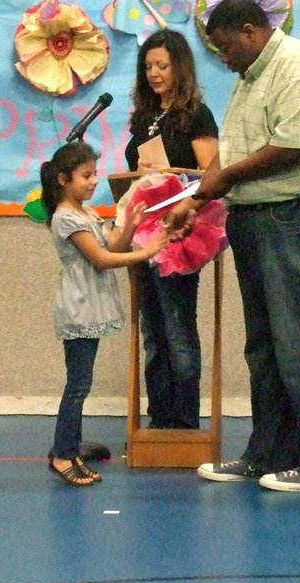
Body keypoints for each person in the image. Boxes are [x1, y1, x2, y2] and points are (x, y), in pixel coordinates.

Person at [164, 0, 300, 491]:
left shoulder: (297, 67)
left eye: (226, 46)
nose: (222, 57)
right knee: (265, 347)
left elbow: (297, 146)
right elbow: (233, 155)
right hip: (262, 215)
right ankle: (269, 454)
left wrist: (221, 182)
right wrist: (195, 199)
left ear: (252, 31)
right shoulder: (251, 77)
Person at [41, 142, 167, 486]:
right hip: (79, 308)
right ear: (64, 180)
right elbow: (101, 259)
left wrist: (131, 227)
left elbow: (113, 245)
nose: (94, 181)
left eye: (94, 173)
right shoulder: (66, 217)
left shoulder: (87, 213)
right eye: (86, 175)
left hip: (91, 307)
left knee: (81, 384)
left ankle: (69, 449)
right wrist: (148, 252)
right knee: (77, 385)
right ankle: (62, 454)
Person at [112, 29, 219, 429]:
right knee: (152, 331)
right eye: (148, 67)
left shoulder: (196, 114)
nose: (154, 73)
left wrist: (171, 172)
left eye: (162, 65)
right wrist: (139, 174)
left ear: (180, 67)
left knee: (177, 327)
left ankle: (185, 422)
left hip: (180, 229)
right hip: (142, 230)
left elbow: (211, 175)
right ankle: (158, 420)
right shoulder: (144, 115)